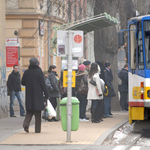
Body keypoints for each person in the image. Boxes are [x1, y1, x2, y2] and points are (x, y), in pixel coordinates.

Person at [22, 57, 49, 133]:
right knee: (37, 112)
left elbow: (22, 82)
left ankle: (26, 124)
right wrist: (47, 94)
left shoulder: (27, 72)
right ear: (37, 63)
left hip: (29, 94)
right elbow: (43, 84)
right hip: (38, 94)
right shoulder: (39, 72)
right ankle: (37, 130)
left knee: (29, 111)